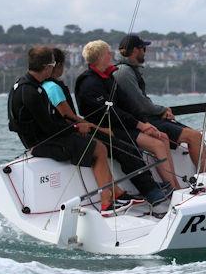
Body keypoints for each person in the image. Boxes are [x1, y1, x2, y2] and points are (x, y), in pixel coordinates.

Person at [8, 46, 133, 216]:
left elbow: (15, 124)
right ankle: (106, 202)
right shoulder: (31, 92)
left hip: (40, 138)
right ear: (47, 67)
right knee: (99, 148)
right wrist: (76, 127)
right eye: (52, 66)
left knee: (94, 142)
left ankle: (115, 192)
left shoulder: (21, 83)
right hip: (42, 143)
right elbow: (50, 128)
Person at [41, 48, 168, 206]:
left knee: (125, 146)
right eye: (63, 65)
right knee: (124, 149)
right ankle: (150, 192)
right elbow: (69, 117)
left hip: (77, 129)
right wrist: (98, 128)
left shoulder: (47, 85)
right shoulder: (55, 87)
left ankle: (136, 189)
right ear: (56, 66)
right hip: (76, 131)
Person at [75, 40, 184, 190]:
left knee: (162, 137)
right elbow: (111, 113)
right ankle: (174, 190)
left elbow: (127, 104)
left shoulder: (108, 77)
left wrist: (145, 123)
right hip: (108, 128)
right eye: (108, 53)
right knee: (157, 144)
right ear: (101, 57)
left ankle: (176, 186)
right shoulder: (89, 83)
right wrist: (139, 125)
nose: (112, 55)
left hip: (123, 124)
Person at [114, 34, 206, 174]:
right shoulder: (124, 72)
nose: (145, 52)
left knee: (196, 136)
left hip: (145, 117)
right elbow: (140, 103)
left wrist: (161, 111)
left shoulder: (128, 70)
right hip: (142, 120)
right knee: (194, 137)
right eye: (144, 49)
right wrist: (161, 110)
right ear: (135, 50)